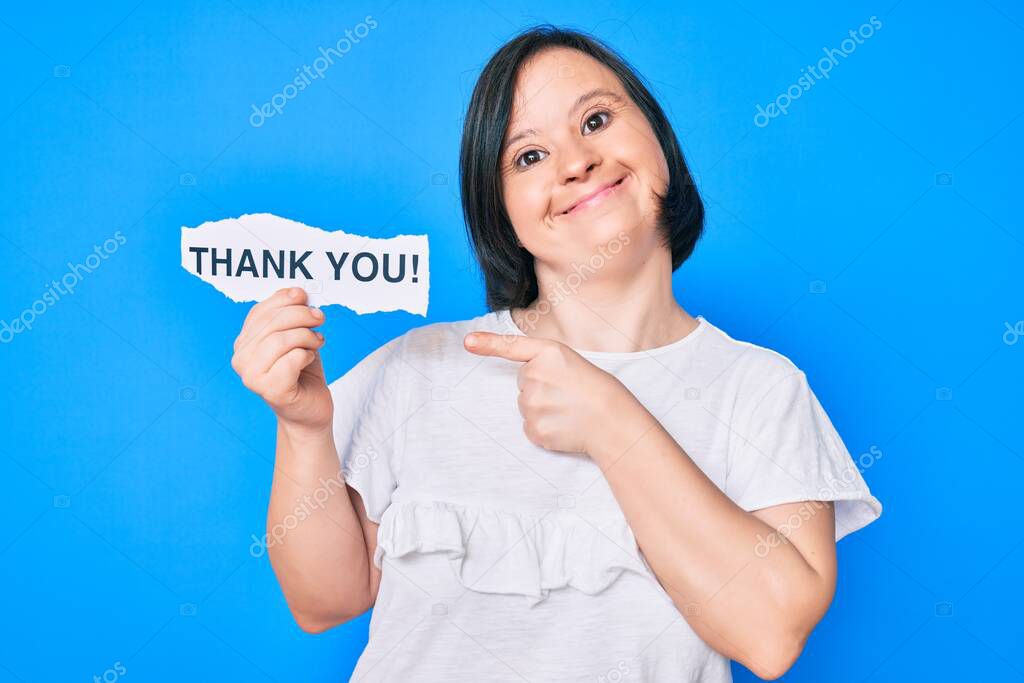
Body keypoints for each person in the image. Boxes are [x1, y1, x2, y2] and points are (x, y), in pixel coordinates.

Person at [230, 25, 881, 682]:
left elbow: (770, 634)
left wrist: (612, 421)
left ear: (660, 141)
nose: (575, 162)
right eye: (529, 157)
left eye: (595, 120)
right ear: (501, 212)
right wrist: (304, 426)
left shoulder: (760, 389)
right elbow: (325, 600)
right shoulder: (418, 368)